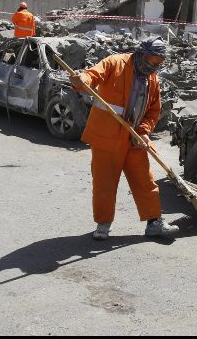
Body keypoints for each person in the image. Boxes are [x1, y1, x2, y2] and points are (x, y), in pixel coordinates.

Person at [69, 37, 179, 241]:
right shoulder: (115, 63)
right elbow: (93, 75)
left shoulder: (152, 78)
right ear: (142, 54)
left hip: (135, 139)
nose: (156, 65)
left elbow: (153, 110)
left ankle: (154, 222)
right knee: (105, 182)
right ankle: (103, 224)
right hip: (107, 138)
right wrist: (82, 80)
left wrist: (145, 132)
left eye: (159, 62)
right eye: (153, 60)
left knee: (145, 181)